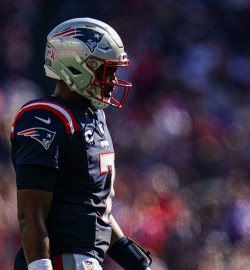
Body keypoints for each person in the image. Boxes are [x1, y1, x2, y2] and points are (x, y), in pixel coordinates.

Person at [11, 17, 152, 270]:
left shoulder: (94, 118)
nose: (112, 80)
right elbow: (30, 212)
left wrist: (137, 263)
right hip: (60, 260)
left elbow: (98, 212)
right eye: (106, 70)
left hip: (85, 261)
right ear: (75, 66)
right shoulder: (46, 117)